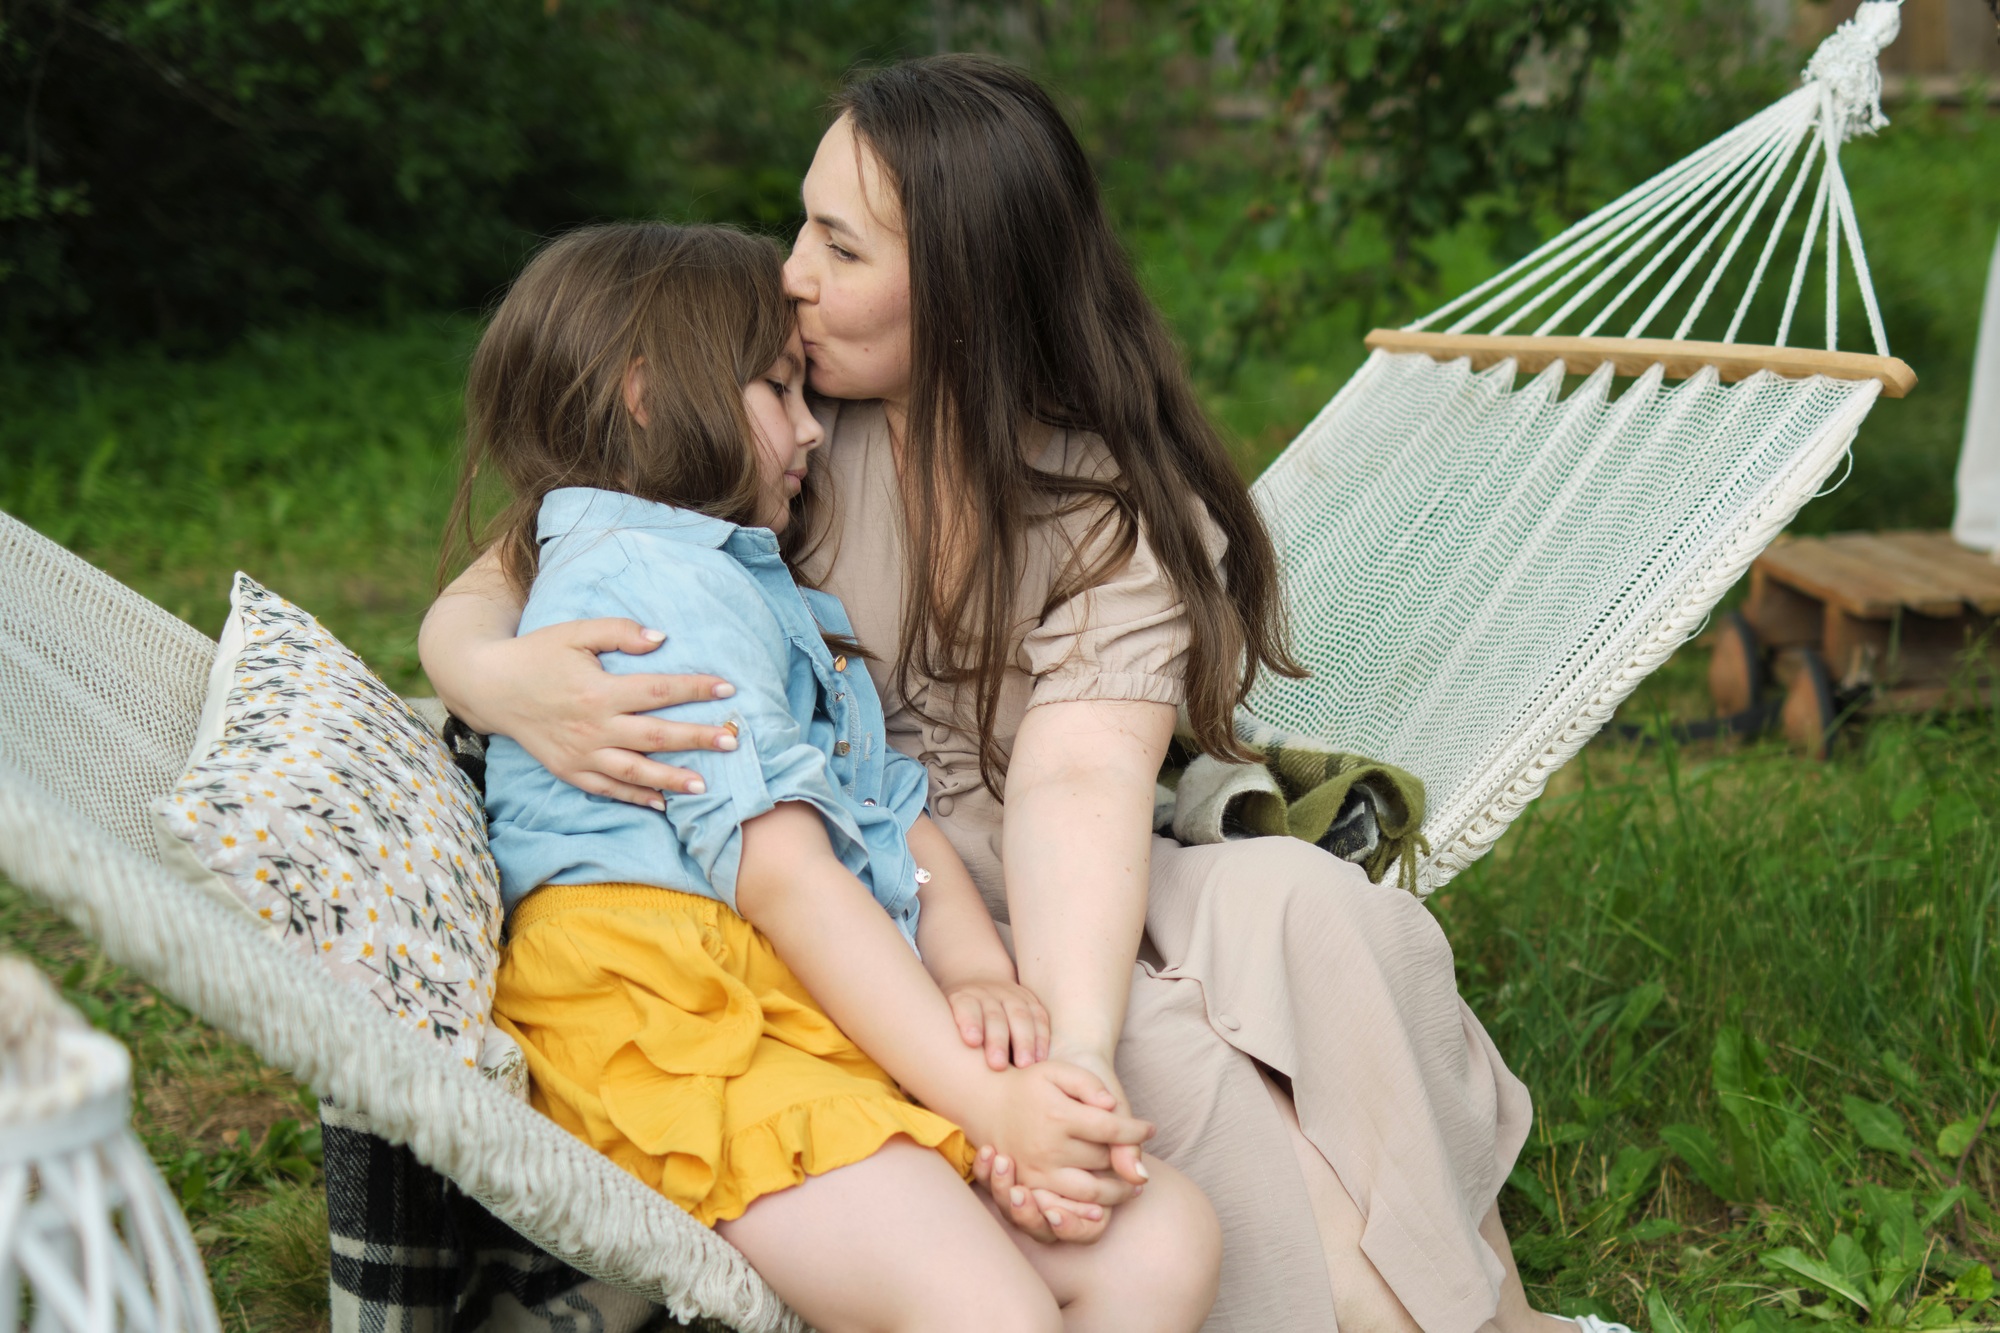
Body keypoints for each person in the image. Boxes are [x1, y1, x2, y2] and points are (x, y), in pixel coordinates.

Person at [423, 56, 1577, 1333]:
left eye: (838, 247)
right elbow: (523, 562)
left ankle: (1488, 1310)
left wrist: (1072, 1032)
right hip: (875, 889)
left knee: (1327, 914)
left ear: (967, 288)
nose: (790, 271)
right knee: (1180, 1063)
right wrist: (489, 674)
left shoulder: (1095, 495)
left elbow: (1081, 785)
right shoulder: (764, 444)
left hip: (1052, 861)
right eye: (801, 220)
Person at [456, 220, 1222, 1333]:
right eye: (778, 390)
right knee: (989, 1310)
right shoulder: (646, 585)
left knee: (1159, 1241)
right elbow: (784, 876)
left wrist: (970, 968)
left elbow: (875, 806)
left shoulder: (742, 581)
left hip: (793, 1006)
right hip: (670, 1019)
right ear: (643, 395)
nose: (813, 426)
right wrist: (987, 1104)